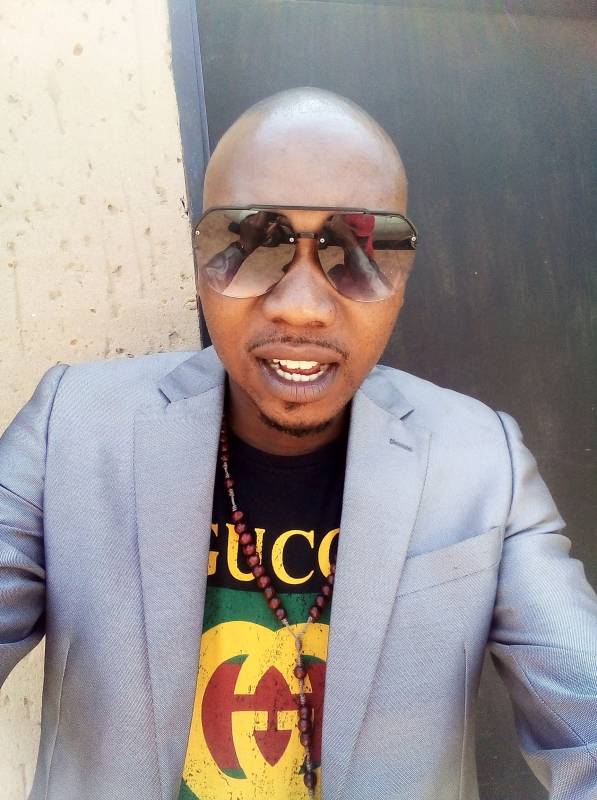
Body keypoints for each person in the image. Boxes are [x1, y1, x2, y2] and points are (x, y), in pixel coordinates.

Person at [0, 88, 595, 800]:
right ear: (201, 261)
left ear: (403, 277)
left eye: (358, 249)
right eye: (252, 243)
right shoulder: (71, 428)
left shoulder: (479, 462)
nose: (301, 307)